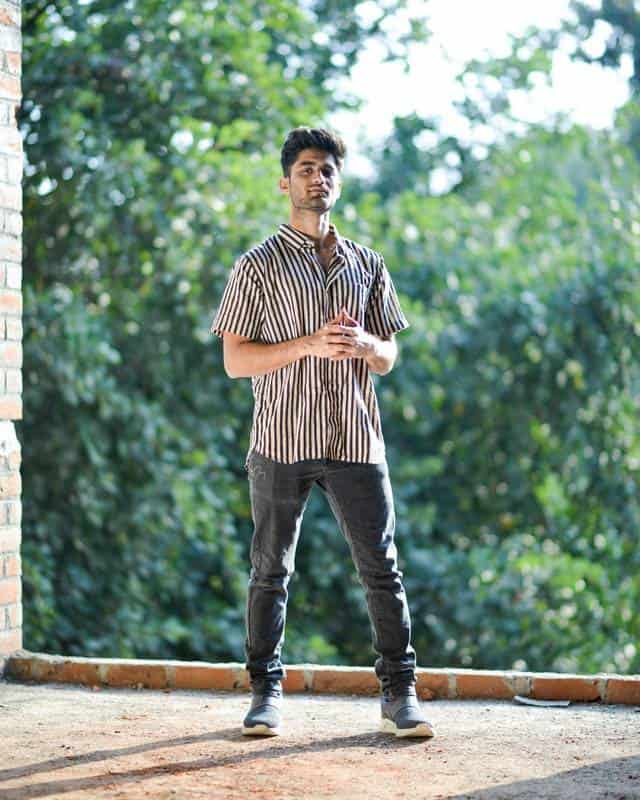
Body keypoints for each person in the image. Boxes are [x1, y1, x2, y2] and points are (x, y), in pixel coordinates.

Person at [210, 126, 435, 739]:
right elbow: (235, 360)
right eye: (306, 168)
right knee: (270, 570)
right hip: (281, 440)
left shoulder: (368, 263)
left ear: (339, 181)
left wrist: (366, 345)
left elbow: (389, 356)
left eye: (327, 169)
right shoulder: (256, 265)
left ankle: (400, 695)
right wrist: (306, 344)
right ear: (285, 183)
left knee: (381, 568)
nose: (318, 178)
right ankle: (265, 693)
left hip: (356, 440)